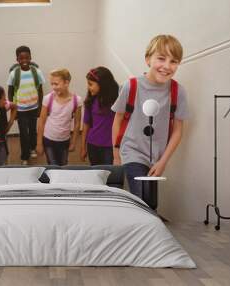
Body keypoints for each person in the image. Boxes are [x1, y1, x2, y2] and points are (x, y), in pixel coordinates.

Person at [111, 34, 189, 206]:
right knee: (143, 201)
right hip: (131, 151)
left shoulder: (178, 92)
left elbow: (177, 130)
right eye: (161, 58)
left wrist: (163, 162)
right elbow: (118, 120)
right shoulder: (130, 86)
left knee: (150, 203)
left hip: (156, 156)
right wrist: (116, 154)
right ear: (148, 60)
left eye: (174, 61)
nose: (167, 66)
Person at [7, 45, 45, 165]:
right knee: (23, 133)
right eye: (21, 58)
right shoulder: (14, 74)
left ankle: (32, 148)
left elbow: (40, 90)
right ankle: (24, 155)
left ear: (30, 58)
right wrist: (13, 109)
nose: (24, 61)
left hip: (34, 107)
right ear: (17, 59)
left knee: (33, 130)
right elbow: (10, 91)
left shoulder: (36, 72)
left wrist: (40, 107)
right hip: (20, 109)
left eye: (26, 58)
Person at [36, 68, 82, 166]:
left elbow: (77, 123)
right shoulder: (48, 99)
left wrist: (73, 142)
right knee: (52, 165)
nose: (53, 87)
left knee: (63, 164)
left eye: (56, 84)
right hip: (48, 139)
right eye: (52, 84)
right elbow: (42, 121)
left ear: (66, 82)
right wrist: (39, 143)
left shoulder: (77, 100)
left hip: (65, 140)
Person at [80, 66, 119, 165]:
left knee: (110, 176)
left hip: (110, 147)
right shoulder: (90, 100)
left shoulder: (117, 101)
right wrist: (83, 147)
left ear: (102, 84)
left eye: (91, 84)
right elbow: (86, 124)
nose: (88, 87)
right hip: (92, 144)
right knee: (96, 174)